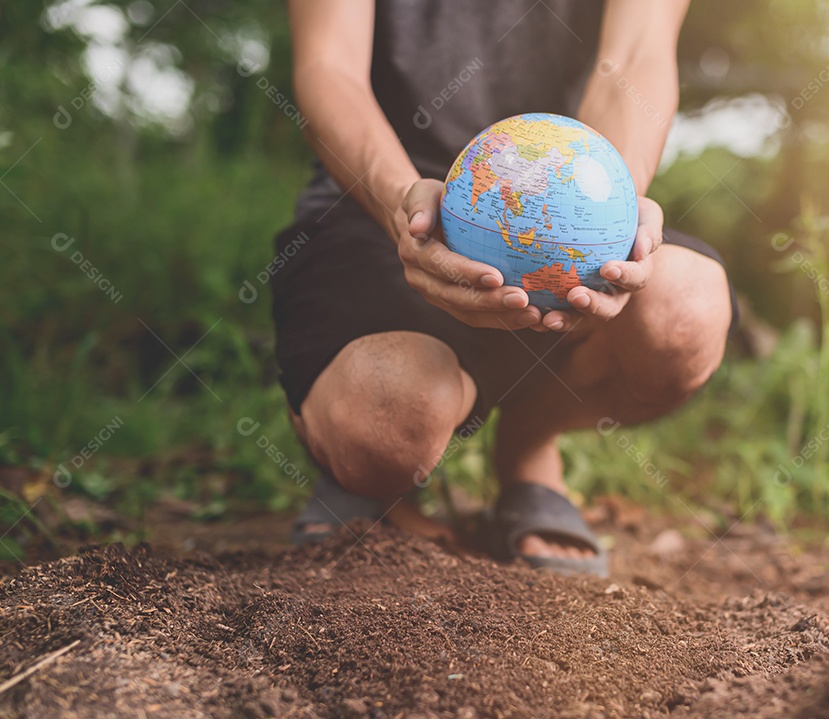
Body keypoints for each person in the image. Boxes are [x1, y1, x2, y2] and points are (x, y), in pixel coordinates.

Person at [273, 0, 736, 577]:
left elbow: (637, 56)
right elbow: (328, 68)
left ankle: (527, 447)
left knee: (685, 308)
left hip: (564, 195)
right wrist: (402, 207)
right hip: (380, 197)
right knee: (384, 421)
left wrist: (605, 220)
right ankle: (376, 478)